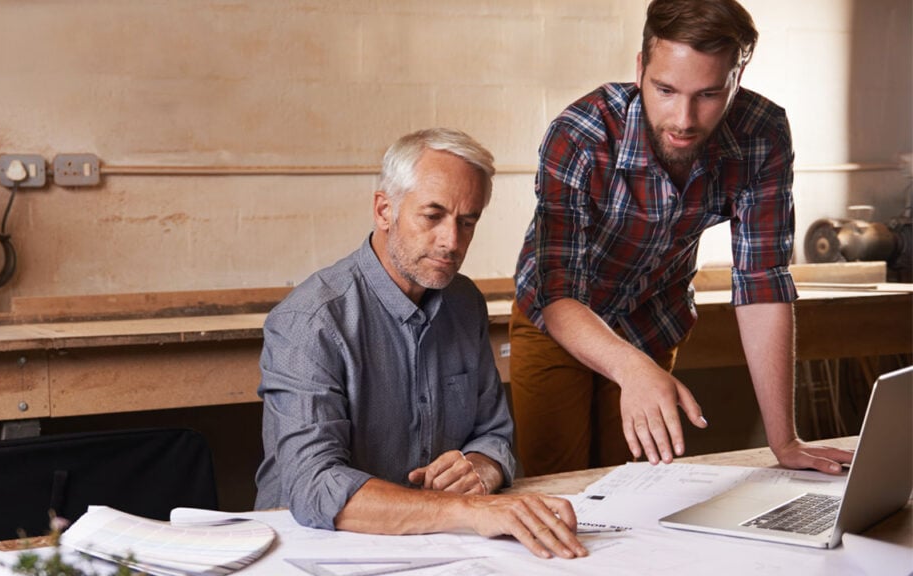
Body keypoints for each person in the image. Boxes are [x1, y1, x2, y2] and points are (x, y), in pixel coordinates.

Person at [510, 0, 855, 477]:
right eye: (665, 90)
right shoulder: (581, 135)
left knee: (628, 484)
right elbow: (559, 292)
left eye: (709, 94)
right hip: (559, 317)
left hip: (654, 320)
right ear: (640, 68)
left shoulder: (763, 134)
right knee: (557, 482)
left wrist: (786, 441)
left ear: (738, 76)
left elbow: (762, 283)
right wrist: (629, 368)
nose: (684, 119)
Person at [255, 127, 588, 560]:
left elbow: (494, 435)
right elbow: (315, 486)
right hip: (314, 552)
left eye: (467, 222)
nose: (452, 241)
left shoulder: (465, 302)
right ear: (384, 210)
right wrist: (467, 509)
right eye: (432, 216)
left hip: (439, 547)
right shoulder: (310, 322)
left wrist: (480, 470)